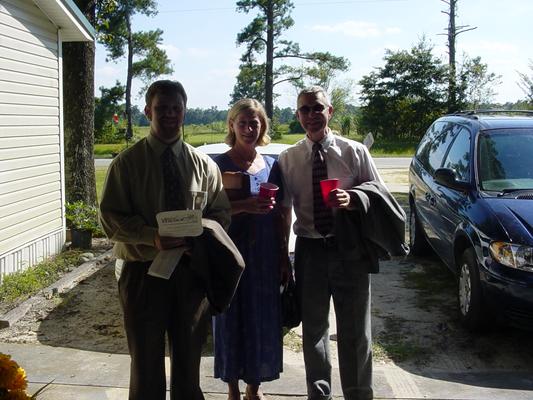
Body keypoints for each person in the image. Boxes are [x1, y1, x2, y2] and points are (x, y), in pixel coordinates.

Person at [99, 80, 233, 400]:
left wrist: (202, 235)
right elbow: (110, 219)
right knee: (145, 364)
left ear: (184, 112)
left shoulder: (204, 166)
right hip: (143, 273)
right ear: (148, 111)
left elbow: (221, 213)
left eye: (176, 108)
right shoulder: (126, 164)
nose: (170, 114)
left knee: (189, 362)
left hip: (190, 274)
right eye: (162, 108)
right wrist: (152, 237)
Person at [278, 86, 406, 400]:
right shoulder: (288, 158)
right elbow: (284, 211)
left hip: (350, 249)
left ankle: (358, 394)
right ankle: (318, 394)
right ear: (298, 115)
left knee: (355, 331)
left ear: (330, 112)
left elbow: (381, 196)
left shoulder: (354, 152)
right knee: (313, 331)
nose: (311, 115)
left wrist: (353, 198)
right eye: (305, 109)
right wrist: (283, 256)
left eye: (317, 108)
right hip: (309, 250)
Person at [212, 98, 288, 400]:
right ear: (232, 125)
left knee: (262, 319)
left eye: (254, 123)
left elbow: (283, 212)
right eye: (242, 123)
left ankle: (253, 388)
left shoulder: (272, 165)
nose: (248, 129)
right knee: (229, 319)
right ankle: (232, 388)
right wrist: (244, 205)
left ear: (263, 126)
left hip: (265, 254)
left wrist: (283, 255)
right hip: (228, 254)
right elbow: (207, 211)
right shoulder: (217, 165)